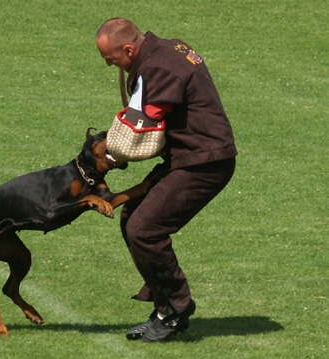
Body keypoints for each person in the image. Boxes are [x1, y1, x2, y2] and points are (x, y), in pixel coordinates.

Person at [95, 18, 238, 343]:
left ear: (128, 49)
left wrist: (109, 157)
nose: (108, 63)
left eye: (111, 58)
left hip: (205, 162)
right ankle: (164, 308)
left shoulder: (161, 68)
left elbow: (141, 128)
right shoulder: (164, 50)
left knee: (144, 229)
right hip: (187, 156)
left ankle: (175, 308)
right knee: (133, 217)